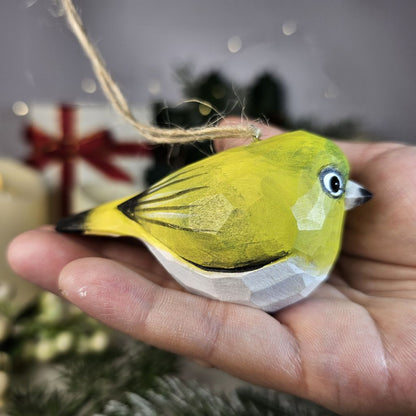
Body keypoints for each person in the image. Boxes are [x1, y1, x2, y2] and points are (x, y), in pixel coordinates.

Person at [8, 121, 416, 415]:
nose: (351, 194)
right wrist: (138, 215)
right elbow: (191, 214)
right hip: (161, 217)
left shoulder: (316, 224)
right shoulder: (280, 235)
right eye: (333, 184)